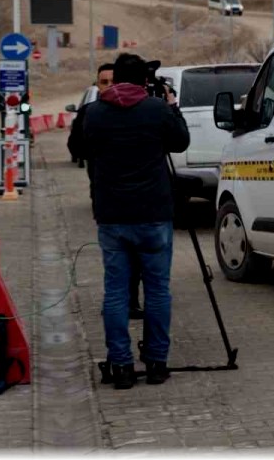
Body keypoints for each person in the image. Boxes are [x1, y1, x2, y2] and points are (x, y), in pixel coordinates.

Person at [81, 53, 189, 389]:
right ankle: (157, 363)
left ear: (114, 79)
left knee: (115, 293)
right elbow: (180, 142)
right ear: (144, 80)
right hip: (153, 213)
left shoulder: (95, 112)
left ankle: (122, 367)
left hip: (113, 216)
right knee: (158, 291)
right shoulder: (156, 110)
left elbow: (85, 150)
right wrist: (172, 106)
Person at [69, 63, 144, 319]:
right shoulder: (90, 113)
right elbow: (75, 148)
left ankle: (131, 300)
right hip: (106, 195)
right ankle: (116, 301)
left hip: (139, 194)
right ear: (96, 86)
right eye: (104, 82)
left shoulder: (141, 110)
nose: (109, 86)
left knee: (137, 253)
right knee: (115, 255)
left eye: (113, 80)